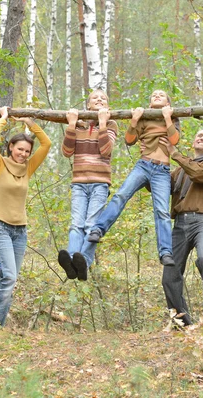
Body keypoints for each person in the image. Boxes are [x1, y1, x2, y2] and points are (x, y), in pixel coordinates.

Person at [0, 106, 51, 328]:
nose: (24, 154)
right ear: (10, 148)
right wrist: (4, 119)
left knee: (10, 280)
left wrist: (30, 123)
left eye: (27, 151)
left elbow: (46, 144)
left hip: (20, 231)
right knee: (8, 278)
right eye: (20, 149)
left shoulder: (28, 168)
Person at [88, 90, 180, 267]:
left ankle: (166, 252)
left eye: (162, 94)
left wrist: (168, 118)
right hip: (143, 165)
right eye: (153, 95)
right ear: (150, 104)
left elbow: (174, 140)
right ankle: (98, 229)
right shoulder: (144, 116)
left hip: (162, 170)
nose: (157, 95)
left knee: (162, 210)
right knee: (120, 195)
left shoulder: (173, 117)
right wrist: (135, 120)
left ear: (168, 103)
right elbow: (129, 140)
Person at [160, 129, 203, 328]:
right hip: (180, 223)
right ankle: (181, 322)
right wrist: (151, 165)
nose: (202, 138)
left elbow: (197, 173)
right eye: (199, 135)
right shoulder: (181, 170)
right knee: (170, 272)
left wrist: (174, 153)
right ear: (193, 142)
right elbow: (163, 186)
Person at [57, 89, 118, 281]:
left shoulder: (111, 124)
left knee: (91, 224)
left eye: (103, 98)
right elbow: (67, 151)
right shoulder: (79, 125)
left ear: (107, 106)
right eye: (95, 98)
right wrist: (72, 125)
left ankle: (84, 260)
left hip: (100, 182)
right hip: (79, 183)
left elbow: (106, 150)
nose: (99, 99)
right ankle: (73, 260)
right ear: (88, 105)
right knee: (76, 224)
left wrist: (101, 123)